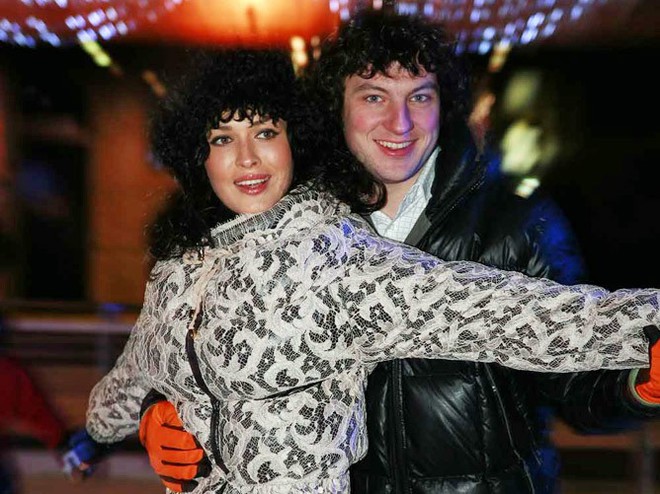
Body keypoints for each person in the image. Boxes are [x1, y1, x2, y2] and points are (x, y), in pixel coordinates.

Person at [81, 46, 660, 494]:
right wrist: (140, 418)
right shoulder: (179, 268)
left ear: (296, 141)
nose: (248, 157)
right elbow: (134, 373)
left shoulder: (332, 260)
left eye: (265, 132)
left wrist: (642, 331)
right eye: (222, 138)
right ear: (198, 156)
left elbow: (503, 313)